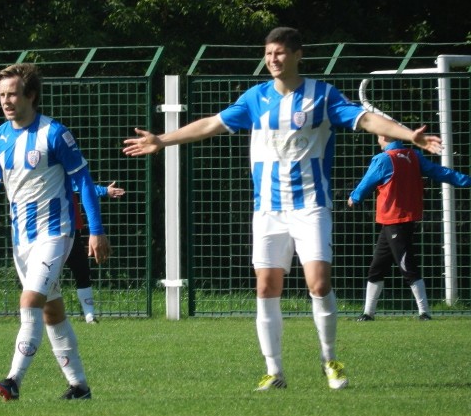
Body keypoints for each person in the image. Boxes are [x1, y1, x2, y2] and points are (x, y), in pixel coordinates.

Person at [123, 27, 442, 391]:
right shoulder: (256, 98)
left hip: (311, 207)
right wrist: (162, 140)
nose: (272, 60)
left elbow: (366, 119)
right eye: (268, 53)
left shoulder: (322, 96)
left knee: (319, 283)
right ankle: (274, 372)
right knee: (266, 286)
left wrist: (407, 134)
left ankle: (329, 359)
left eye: (279, 53)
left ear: (297, 54)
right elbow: (211, 123)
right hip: (269, 210)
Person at [0, 63, 111, 401]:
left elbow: (83, 183)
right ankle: (80, 387)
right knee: (51, 311)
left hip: (55, 232)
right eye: (1, 94)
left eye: (12, 93)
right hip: (22, 240)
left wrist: (96, 230)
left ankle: (13, 380)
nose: (6, 100)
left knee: (30, 300)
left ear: (31, 95)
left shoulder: (55, 134)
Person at [348, 134, 471, 321]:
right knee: (377, 267)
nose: (378, 140)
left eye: (379, 136)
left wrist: (355, 197)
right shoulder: (413, 155)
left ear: (386, 137)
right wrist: (465, 180)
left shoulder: (383, 159)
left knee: (407, 265)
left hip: (395, 219)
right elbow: (440, 172)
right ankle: (368, 313)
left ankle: (424, 312)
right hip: (399, 220)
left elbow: (367, 181)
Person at [69, 181, 124, 323]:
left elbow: (82, 185)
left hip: (70, 229)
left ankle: (90, 316)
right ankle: (40, 314)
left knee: (81, 270)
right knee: (47, 276)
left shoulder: (61, 167)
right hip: (44, 233)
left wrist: (105, 191)